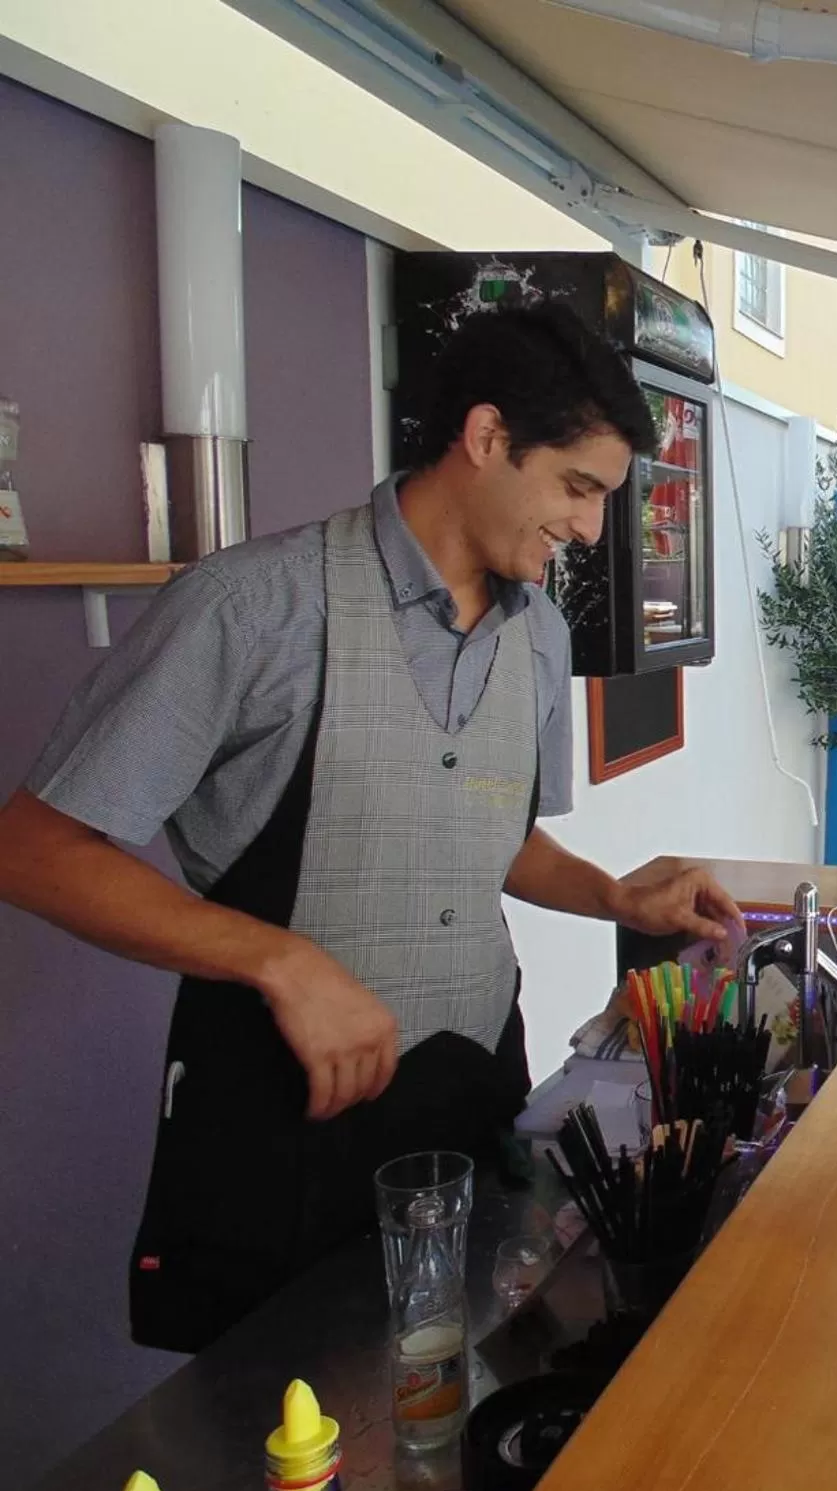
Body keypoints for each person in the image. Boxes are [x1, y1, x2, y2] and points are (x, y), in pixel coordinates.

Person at [0, 303, 744, 1353]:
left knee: (482, 1407)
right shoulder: (253, 606)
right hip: (281, 1138)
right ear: (486, 439)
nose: (589, 528)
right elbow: (32, 851)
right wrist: (276, 960)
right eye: (577, 488)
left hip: (474, 1103)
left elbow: (495, 828)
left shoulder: (537, 635)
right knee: (289, 1453)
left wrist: (612, 897)